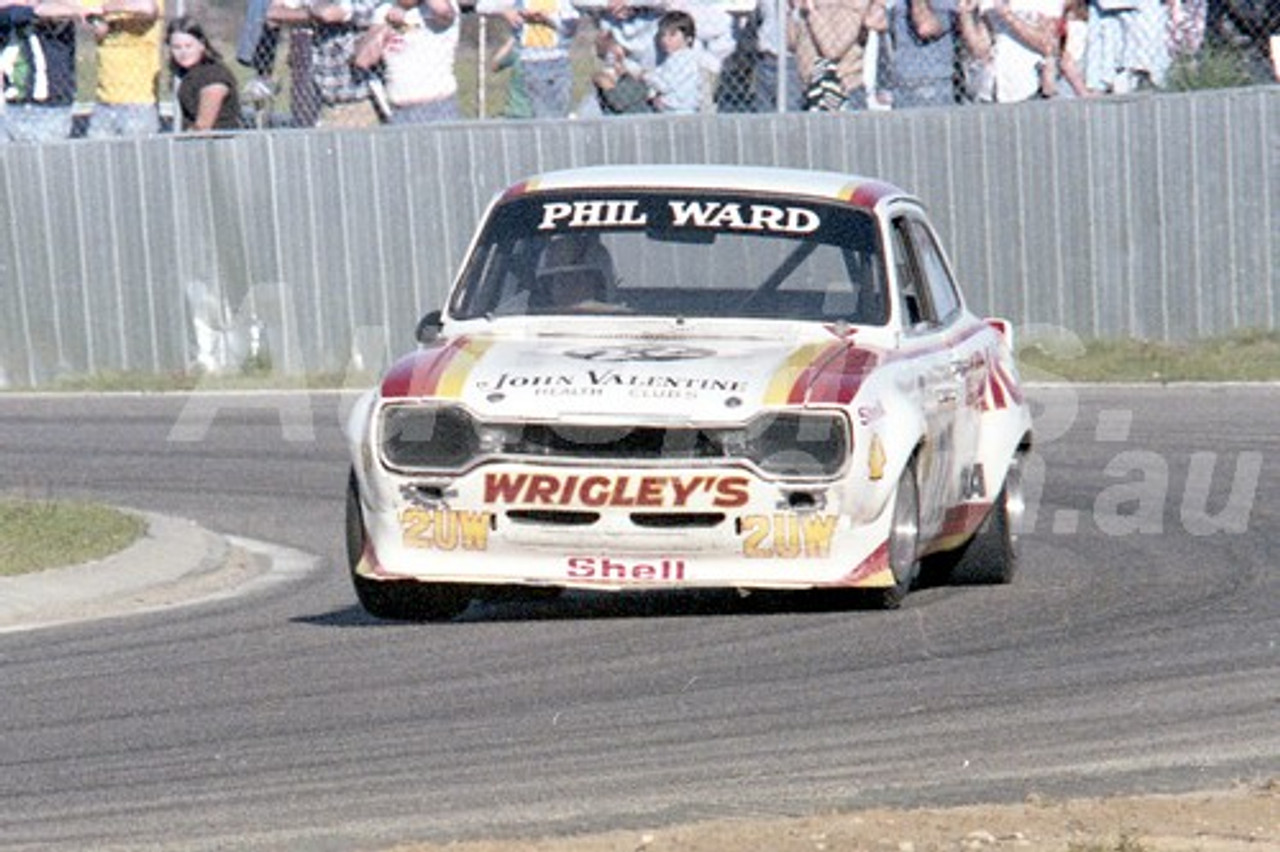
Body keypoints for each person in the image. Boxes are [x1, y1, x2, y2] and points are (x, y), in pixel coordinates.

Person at [268, 0, 380, 128]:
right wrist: (313, 13)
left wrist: (305, 11)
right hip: (328, 106)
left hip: (359, 104)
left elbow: (328, 14)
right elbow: (272, 14)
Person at [354, 0, 461, 123]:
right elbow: (363, 60)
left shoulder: (438, 7)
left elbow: (444, 13)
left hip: (437, 105)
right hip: (399, 108)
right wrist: (388, 26)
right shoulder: (385, 10)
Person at [0, 0, 82, 142]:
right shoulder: (11, 16)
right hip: (19, 107)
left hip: (56, 106)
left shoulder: (62, 20)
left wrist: (81, 11)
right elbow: (33, 11)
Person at [790, 0, 888, 111]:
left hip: (841, 88)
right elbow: (791, 43)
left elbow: (832, 50)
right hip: (810, 87)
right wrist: (795, 11)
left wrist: (812, 12)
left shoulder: (851, 6)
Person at [85, 0, 164, 137]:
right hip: (104, 100)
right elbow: (86, 16)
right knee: (98, 154)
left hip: (139, 101)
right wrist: (96, 22)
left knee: (137, 155)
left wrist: (107, 8)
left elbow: (149, 8)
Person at [958, 0, 1061, 102]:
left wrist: (1008, 15)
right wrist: (965, 15)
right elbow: (980, 50)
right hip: (988, 92)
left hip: (1027, 91)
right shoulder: (986, 3)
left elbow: (1048, 45)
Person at [502, 0, 579, 118]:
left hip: (559, 61)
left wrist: (548, 19)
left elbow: (571, 26)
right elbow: (486, 5)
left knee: (559, 113)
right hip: (530, 62)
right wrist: (505, 11)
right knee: (541, 114)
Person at [167, 16, 244, 131]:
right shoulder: (185, 74)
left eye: (188, 46)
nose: (183, 52)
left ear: (201, 45)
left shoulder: (213, 75)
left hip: (221, 143)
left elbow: (203, 126)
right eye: (177, 47)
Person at [886, 0, 966, 106]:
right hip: (902, 85)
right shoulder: (898, 5)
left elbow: (926, 28)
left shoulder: (943, 5)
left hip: (933, 86)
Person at [647, 9, 702, 112]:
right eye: (663, 34)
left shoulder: (685, 59)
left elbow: (665, 85)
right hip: (671, 110)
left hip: (682, 111)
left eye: (672, 35)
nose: (665, 39)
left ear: (688, 38)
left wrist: (645, 76)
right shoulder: (670, 58)